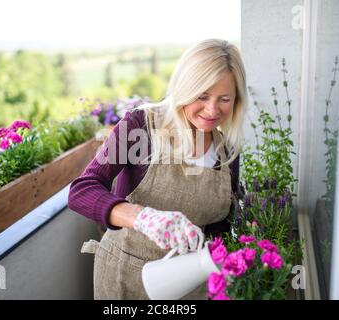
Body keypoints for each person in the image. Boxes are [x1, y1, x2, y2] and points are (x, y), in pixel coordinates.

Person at [68, 39, 247, 300]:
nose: (212, 110)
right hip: (125, 279)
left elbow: (219, 228)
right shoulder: (142, 126)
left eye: (224, 99)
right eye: (202, 95)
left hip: (187, 286)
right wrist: (141, 217)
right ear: (185, 88)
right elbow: (81, 191)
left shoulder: (227, 153)